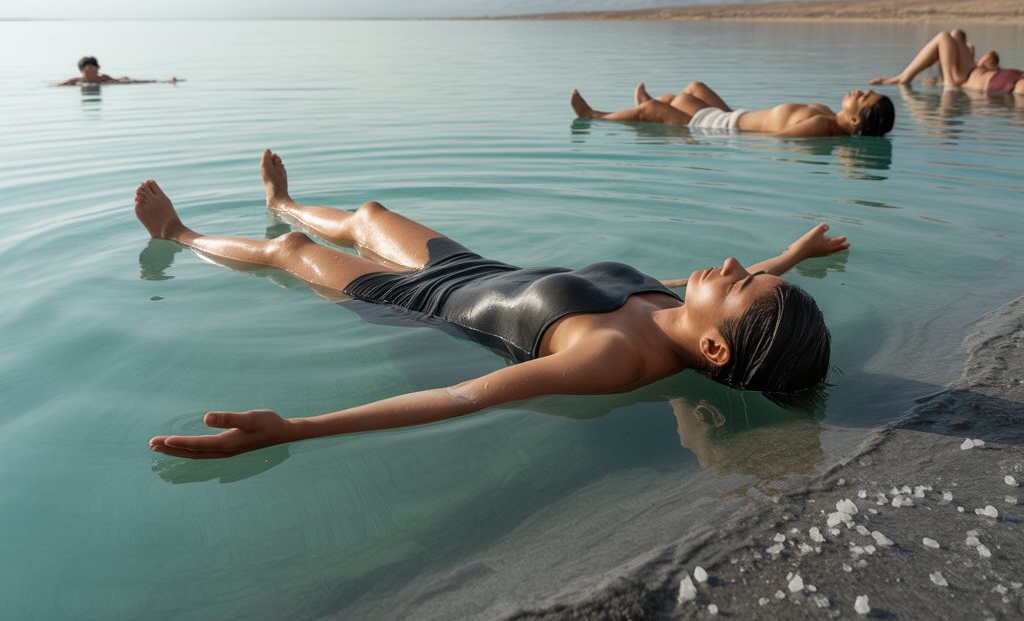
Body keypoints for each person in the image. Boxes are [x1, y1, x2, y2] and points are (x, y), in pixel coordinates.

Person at [139, 150, 849, 459]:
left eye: (736, 283)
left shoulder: (614, 357)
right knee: (369, 213)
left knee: (290, 254)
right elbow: (738, 287)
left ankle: (181, 232)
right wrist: (786, 260)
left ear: (716, 350)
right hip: (472, 267)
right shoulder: (673, 305)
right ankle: (283, 200)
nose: (729, 265)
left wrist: (296, 429)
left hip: (412, 301)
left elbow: (463, 397)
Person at [571, 80, 895, 138]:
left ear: (854, 119)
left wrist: (709, 139)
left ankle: (594, 116)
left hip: (720, 128)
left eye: (864, 97)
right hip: (733, 115)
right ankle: (647, 109)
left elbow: (778, 138)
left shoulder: (823, 124)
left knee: (664, 105)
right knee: (694, 88)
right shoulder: (824, 111)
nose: (861, 91)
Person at [870, 30, 1024, 95]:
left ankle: (903, 78)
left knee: (950, 35)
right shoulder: (975, 69)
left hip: (1003, 80)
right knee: (949, 35)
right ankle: (904, 78)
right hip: (971, 77)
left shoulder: (980, 65)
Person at [55, 55, 180, 86]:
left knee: (129, 81)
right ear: (81, 69)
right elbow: (58, 85)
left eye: (93, 66)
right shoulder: (76, 81)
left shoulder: (104, 78)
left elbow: (120, 82)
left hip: (114, 81)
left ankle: (166, 80)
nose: (90, 68)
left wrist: (164, 81)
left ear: (97, 68)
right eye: (87, 66)